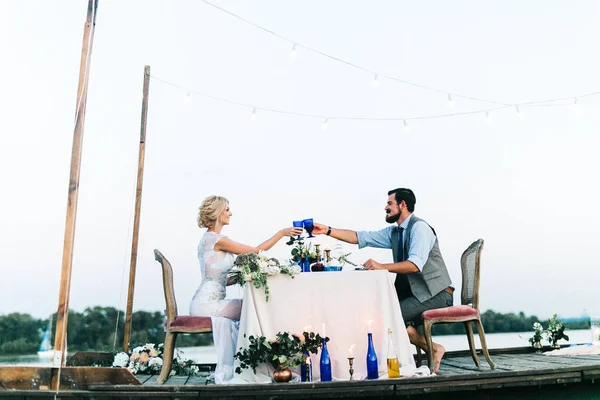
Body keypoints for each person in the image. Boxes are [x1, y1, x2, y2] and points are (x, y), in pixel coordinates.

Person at [313, 188, 453, 373]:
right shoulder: (395, 233)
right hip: (418, 295)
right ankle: (432, 348)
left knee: (388, 317)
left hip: (438, 294)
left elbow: (415, 265)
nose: (385, 207)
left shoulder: (420, 228)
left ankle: (431, 349)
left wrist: (381, 266)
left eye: (389, 203)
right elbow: (360, 237)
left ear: (402, 205)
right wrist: (327, 230)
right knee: (379, 314)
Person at [190, 195, 302, 383]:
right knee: (255, 309)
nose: (230, 213)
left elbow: (219, 279)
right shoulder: (217, 240)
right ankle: (268, 364)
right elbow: (256, 251)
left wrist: (244, 276)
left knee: (253, 309)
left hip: (205, 300)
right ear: (218, 213)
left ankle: (263, 362)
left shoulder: (208, 240)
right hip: (207, 304)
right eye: (227, 209)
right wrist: (281, 233)